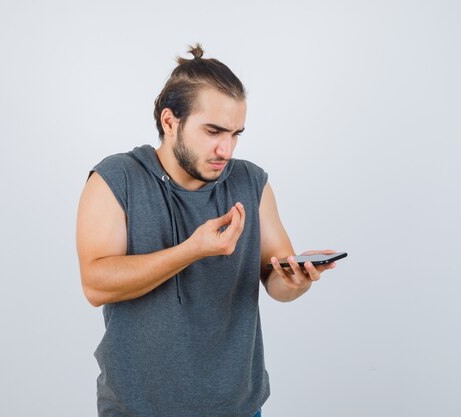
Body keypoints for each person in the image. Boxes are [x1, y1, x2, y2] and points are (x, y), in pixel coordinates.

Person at [76, 44, 338, 417]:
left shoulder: (252, 182)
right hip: (138, 409)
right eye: (213, 131)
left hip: (238, 408)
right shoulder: (116, 178)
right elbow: (96, 284)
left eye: (235, 134)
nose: (226, 148)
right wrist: (192, 249)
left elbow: (276, 280)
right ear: (170, 122)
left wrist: (296, 282)